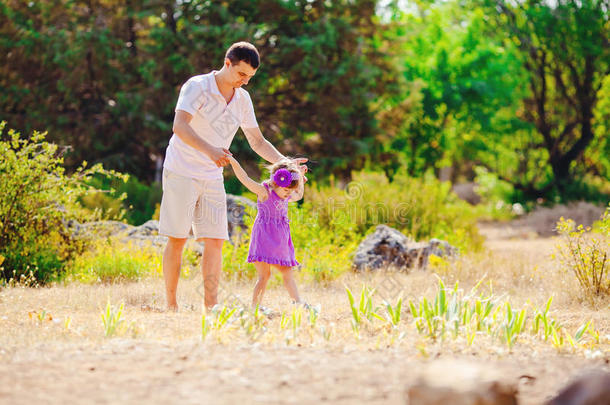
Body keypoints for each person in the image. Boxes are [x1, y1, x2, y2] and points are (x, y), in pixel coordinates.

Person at [159, 41, 306, 311]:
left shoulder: (242, 99)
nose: (245, 82)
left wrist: (286, 162)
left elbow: (257, 141)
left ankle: (211, 306)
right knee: (178, 238)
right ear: (227, 63)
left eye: (250, 77)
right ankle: (171, 305)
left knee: (215, 239)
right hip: (181, 169)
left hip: (213, 175)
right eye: (241, 75)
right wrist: (210, 150)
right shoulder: (197, 86)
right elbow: (179, 126)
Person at [227, 155, 307, 309]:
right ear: (277, 181)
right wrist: (233, 162)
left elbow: (299, 195)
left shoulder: (286, 193)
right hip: (264, 237)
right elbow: (244, 178)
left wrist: (300, 175)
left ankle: (298, 304)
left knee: (287, 273)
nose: (288, 194)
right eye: (286, 189)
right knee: (264, 275)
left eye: (290, 190)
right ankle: (255, 308)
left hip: (281, 238)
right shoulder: (264, 192)